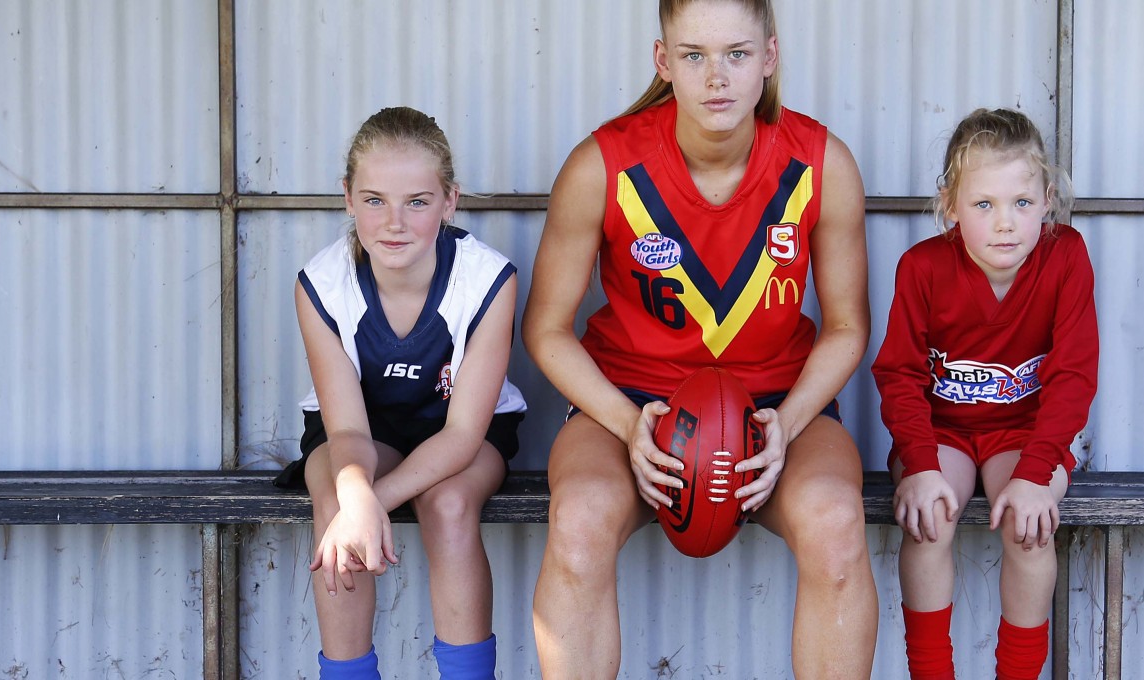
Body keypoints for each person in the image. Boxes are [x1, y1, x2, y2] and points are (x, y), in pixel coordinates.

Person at [521, 0, 877, 676]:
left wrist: (786, 424)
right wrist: (628, 426)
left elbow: (846, 327)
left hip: (777, 400)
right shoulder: (602, 165)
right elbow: (544, 328)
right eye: (694, 55)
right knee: (580, 522)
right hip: (630, 398)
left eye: (737, 54)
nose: (717, 77)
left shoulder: (821, 163)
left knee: (835, 522)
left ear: (769, 58)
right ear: (664, 62)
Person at [273, 106, 526, 680]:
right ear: (346, 197)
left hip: (461, 430)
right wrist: (356, 498)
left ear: (449, 201)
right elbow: (347, 431)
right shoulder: (322, 285)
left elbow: (463, 435)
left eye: (417, 201)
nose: (394, 222)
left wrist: (373, 503)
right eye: (374, 199)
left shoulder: (487, 280)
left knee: (449, 502)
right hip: (361, 429)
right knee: (337, 502)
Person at [871, 108, 1099, 680]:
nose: (1005, 224)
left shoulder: (1065, 256)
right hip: (941, 434)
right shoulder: (922, 267)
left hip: (1027, 435)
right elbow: (899, 375)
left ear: (1047, 199)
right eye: (984, 205)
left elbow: (1073, 375)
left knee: (1030, 528)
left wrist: (1034, 475)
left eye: (1021, 203)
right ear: (950, 204)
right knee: (930, 518)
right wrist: (919, 466)